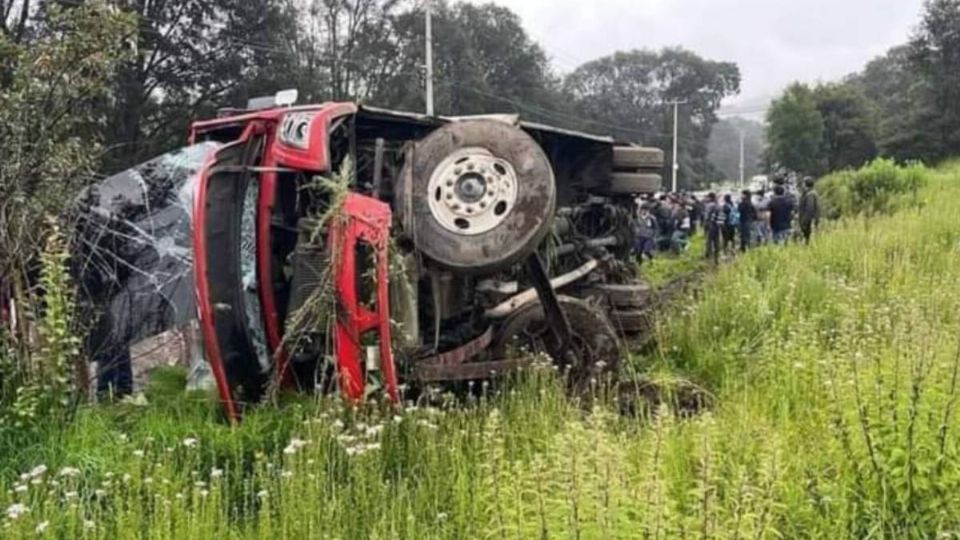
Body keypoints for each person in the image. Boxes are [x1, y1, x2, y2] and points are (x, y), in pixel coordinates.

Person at [798, 177, 821, 244]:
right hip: (810, 221)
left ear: (805, 184)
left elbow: (809, 210)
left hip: (810, 222)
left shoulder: (810, 195)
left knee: (809, 240)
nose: (802, 185)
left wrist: (803, 222)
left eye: (803, 183)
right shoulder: (811, 193)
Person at [704, 193, 723, 265]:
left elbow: (706, 216)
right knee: (716, 241)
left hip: (711, 224)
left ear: (710, 197)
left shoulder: (710, 205)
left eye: (707, 197)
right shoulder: (719, 206)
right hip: (717, 225)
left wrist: (705, 224)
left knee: (709, 240)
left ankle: (708, 255)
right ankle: (716, 257)